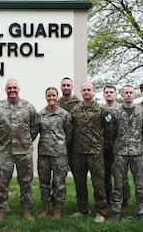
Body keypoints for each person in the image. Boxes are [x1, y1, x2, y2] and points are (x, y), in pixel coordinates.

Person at [0, 79, 39, 221]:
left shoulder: (28, 107)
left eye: (14, 87)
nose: (12, 90)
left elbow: (35, 127)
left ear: (19, 89)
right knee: (2, 182)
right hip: (5, 151)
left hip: (24, 151)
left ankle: (25, 209)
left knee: (26, 182)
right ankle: (2, 209)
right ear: (5, 90)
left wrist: (26, 141)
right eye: (9, 88)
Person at [70, 81, 113, 222]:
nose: (87, 92)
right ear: (81, 92)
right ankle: (82, 209)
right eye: (84, 90)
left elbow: (110, 129)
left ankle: (100, 211)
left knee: (98, 182)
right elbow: (71, 129)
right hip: (79, 152)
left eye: (89, 89)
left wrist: (103, 144)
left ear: (94, 91)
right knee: (80, 182)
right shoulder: (75, 110)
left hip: (95, 152)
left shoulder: (102, 110)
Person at [110, 85, 143, 222]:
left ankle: (141, 211)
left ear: (134, 94)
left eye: (131, 92)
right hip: (120, 152)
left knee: (140, 184)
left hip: (137, 152)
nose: (129, 95)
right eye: (126, 93)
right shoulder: (115, 112)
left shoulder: (142, 111)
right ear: (122, 95)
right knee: (118, 184)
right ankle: (116, 211)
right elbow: (111, 131)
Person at [37, 87, 73, 219]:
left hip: (59, 155)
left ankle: (58, 210)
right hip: (44, 155)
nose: (51, 98)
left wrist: (60, 146)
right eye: (49, 96)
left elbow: (69, 134)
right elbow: (36, 131)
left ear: (57, 96)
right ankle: (46, 208)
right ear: (46, 97)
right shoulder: (40, 115)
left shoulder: (64, 115)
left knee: (59, 183)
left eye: (53, 96)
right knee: (44, 183)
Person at [103, 85, 131, 212]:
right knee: (105, 175)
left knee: (121, 176)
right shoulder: (100, 110)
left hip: (119, 148)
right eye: (106, 92)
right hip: (104, 147)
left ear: (116, 94)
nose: (109, 94)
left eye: (111, 92)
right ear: (103, 95)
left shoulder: (121, 110)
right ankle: (108, 199)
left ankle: (124, 201)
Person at [57, 77, 81, 173]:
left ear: (72, 87)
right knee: (59, 175)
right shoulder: (56, 103)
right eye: (64, 85)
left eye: (68, 85)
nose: (66, 87)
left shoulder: (78, 104)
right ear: (61, 87)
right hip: (59, 144)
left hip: (75, 145)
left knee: (77, 174)